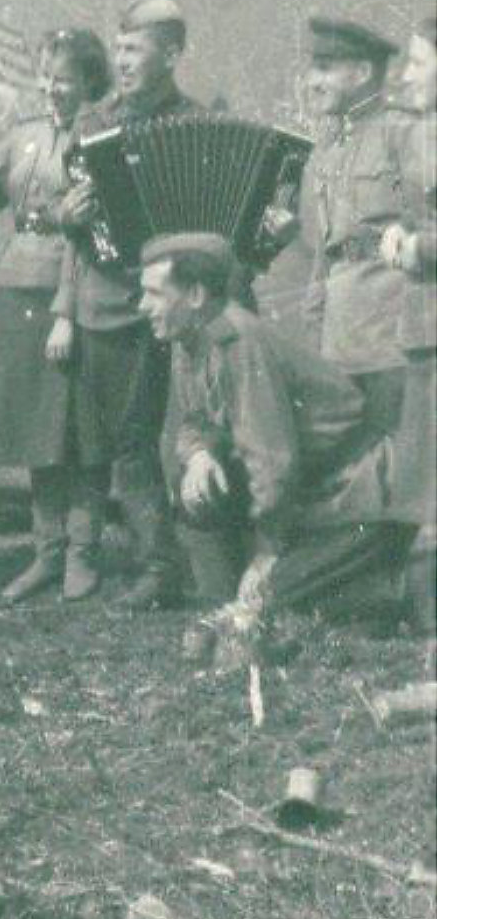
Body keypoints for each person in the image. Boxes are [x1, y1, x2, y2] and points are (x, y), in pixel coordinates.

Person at [138, 233, 415, 627]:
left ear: (195, 295)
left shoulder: (239, 341)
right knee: (198, 491)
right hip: (310, 494)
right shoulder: (191, 337)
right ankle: (292, 575)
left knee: (274, 601)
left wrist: (267, 552)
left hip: (357, 494)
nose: (142, 306)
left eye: (154, 294)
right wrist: (199, 454)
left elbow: (273, 461)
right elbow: (192, 422)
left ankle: (397, 582)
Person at [50, 0, 201, 610]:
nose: (123, 60)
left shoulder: (195, 124)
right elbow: (72, 216)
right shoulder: (93, 123)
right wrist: (68, 214)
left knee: (156, 435)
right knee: (121, 438)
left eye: (135, 49)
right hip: (111, 301)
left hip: (178, 303)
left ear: (172, 54)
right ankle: (158, 562)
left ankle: (170, 563)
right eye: (119, 49)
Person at [0, 28, 113, 604]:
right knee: (38, 427)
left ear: (89, 81)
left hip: (75, 288)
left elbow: (90, 238)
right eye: (45, 76)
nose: (50, 88)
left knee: (80, 428)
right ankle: (46, 553)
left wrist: (67, 311)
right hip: (19, 286)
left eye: (63, 78)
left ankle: (83, 552)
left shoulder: (99, 139)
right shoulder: (23, 136)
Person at [300, 17, 418, 439]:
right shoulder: (330, 147)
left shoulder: (402, 133)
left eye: (325, 68)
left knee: (394, 455)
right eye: (312, 69)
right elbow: (326, 252)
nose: (312, 81)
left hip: (391, 340)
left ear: (363, 72)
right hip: (339, 338)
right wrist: (314, 330)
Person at [379, 16, 436, 632]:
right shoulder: (420, 134)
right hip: (423, 327)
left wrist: (424, 247)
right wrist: (400, 231)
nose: (407, 75)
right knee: (425, 477)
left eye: (420, 62)